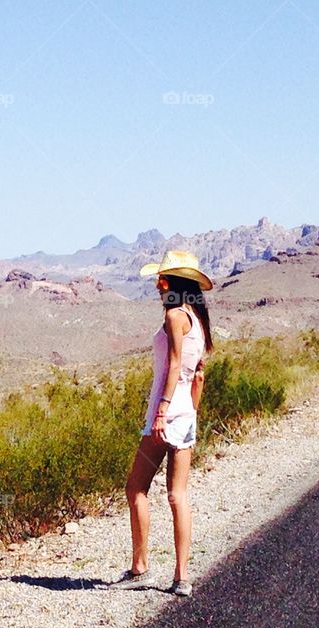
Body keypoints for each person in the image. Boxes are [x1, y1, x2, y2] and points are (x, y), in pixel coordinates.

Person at [112, 250, 213, 597]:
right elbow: (198, 377)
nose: (158, 286)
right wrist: (191, 415)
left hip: (166, 413)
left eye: (162, 280)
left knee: (136, 488)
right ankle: (182, 577)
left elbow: (172, 367)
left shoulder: (174, 316)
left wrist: (161, 412)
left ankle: (140, 567)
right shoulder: (199, 321)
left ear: (174, 283)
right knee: (177, 494)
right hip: (186, 416)